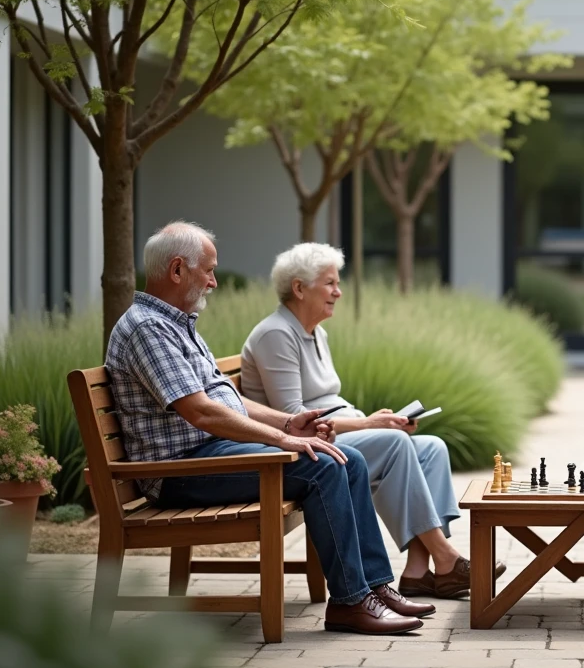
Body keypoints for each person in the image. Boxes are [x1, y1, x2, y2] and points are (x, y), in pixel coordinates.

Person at [107, 222, 432, 636]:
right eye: (208, 270)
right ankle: (351, 603)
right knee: (322, 464)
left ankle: (373, 587)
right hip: (179, 472)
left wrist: (288, 422)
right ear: (176, 270)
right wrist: (283, 440)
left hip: (210, 457)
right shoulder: (148, 328)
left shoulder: (177, 325)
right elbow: (202, 413)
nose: (214, 281)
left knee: (347, 459)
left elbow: (226, 399)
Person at [240, 243, 502, 600]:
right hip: (303, 448)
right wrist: (369, 426)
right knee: (395, 444)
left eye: (338, 282)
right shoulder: (276, 334)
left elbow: (328, 402)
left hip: (335, 435)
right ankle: (447, 558)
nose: (338, 291)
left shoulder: (315, 331)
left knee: (432, 448)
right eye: (330, 283)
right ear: (299, 288)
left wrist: (380, 421)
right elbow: (296, 419)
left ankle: (419, 572)